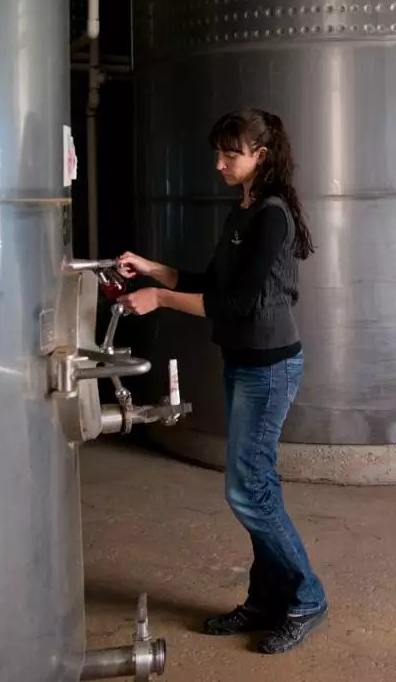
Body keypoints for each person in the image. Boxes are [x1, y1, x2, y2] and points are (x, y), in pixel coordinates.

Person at [117, 108, 327, 654]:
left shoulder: (272, 216)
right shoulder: (244, 210)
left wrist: (161, 300)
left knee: (246, 490)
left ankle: (307, 597)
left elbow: (236, 304)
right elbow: (212, 283)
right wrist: (154, 270)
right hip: (243, 362)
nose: (219, 163)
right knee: (259, 486)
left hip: (270, 367)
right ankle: (267, 599)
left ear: (262, 155)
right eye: (218, 152)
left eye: (230, 153)